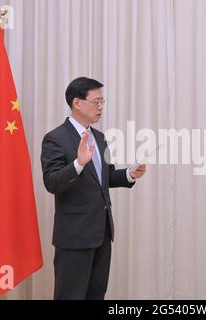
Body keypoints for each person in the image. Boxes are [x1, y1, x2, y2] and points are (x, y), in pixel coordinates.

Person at [41, 77, 146, 300]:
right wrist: (78, 163)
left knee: (96, 294)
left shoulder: (99, 138)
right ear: (77, 103)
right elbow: (52, 182)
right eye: (96, 101)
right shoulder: (55, 138)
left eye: (102, 101)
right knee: (70, 296)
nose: (101, 107)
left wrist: (129, 173)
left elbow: (104, 177)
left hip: (102, 233)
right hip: (74, 236)